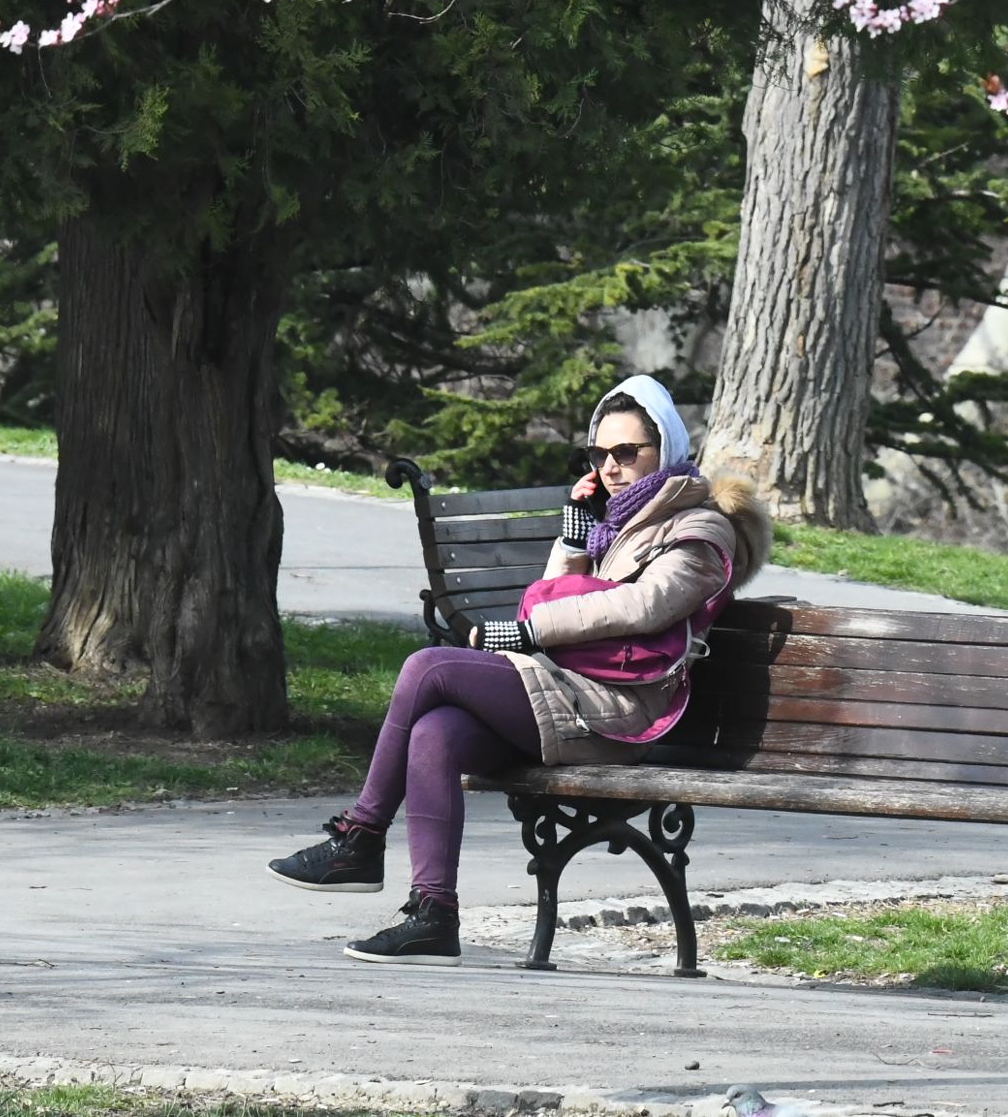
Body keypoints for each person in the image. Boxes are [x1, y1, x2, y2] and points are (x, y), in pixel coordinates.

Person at [268, 376, 767, 960]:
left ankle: (361, 836)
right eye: (599, 454)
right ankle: (434, 913)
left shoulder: (701, 531)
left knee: (429, 668)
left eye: (628, 452)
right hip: (571, 694)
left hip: (622, 715)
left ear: (667, 450)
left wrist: (529, 633)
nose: (611, 466)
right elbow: (552, 590)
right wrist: (576, 529)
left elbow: (640, 606)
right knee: (436, 733)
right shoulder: (616, 522)